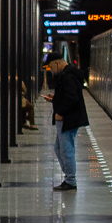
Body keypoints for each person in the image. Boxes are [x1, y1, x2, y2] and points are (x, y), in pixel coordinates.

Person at [42, 54, 89, 191]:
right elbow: (68, 95)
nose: (51, 70)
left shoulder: (67, 76)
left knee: (66, 150)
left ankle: (70, 180)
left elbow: (72, 98)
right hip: (69, 118)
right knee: (59, 149)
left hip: (68, 118)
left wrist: (60, 112)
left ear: (57, 63)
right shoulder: (69, 75)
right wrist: (56, 98)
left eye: (50, 66)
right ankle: (69, 177)